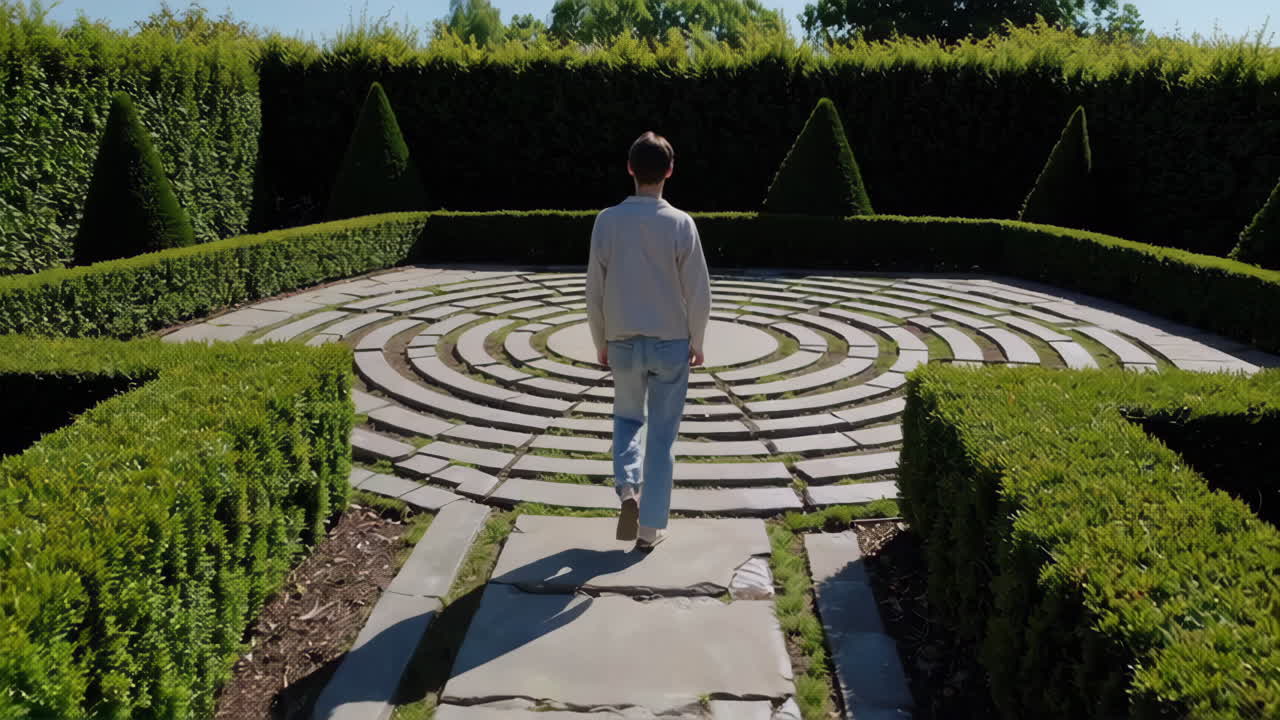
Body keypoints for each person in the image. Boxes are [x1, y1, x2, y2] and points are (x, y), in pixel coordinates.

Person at [586, 131, 712, 550]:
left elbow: (594, 288)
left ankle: (627, 490)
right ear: (670, 171)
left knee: (626, 419)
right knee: (661, 434)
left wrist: (600, 339)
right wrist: (698, 339)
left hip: (621, 340)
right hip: (670, 343)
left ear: (629, 168)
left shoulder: (606, 221)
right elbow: (698, 289)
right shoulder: (680, 223)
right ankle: (650, 529)